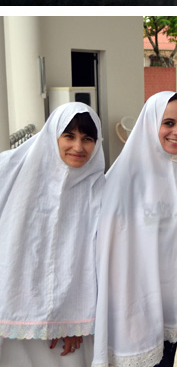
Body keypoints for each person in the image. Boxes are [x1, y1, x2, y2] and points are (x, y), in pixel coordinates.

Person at [0, 102, 105, 367]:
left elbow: (95, 260)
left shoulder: (101, 190)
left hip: (72, 327)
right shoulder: (13, 172)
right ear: (52, 136)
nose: (78, 147)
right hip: (15, 314)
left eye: (88, 139)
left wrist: (76, 318)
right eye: (69, 136)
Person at [92, 92, 177, 367]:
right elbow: (111, 253)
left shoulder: (176, 170)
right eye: (168, 122)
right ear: (150, 123)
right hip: (133, 309)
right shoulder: (126, 178)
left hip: (167, 305)